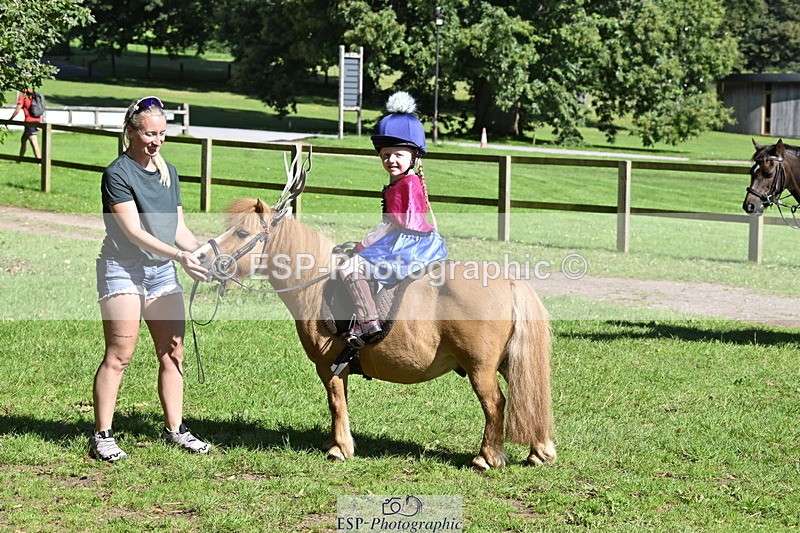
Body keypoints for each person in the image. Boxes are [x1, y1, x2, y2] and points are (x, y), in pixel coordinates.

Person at [90, 96, 211, 462]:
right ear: (131, 131)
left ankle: (176, 430)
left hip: (161, 273)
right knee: (120, 354)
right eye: (148, 134)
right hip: (122, 269)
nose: (155, 141)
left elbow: (177, 229)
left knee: (173, 353)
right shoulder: (117, 173)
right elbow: (132, 231)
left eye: (161, 134)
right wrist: (181, 257)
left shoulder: (168, 172)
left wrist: (205, 253)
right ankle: (102, 436)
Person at [337, 91, 448, 344]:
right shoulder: (407, 181)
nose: (391, 160)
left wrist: (363, 245)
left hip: (405, 243)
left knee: (348, 268)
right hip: (410, 238)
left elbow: (393, 225)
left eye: (399, 154)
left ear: (413, 157)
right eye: (386, 155)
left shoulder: (406, 185)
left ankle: (369, 322)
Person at [9, 89, 42, 160]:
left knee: (34, 143)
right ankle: (20, 160)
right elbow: (40, 108)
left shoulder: (23, 95)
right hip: (36, 121)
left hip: (29, 122)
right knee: (23, 140)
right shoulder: (33, 94)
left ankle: (40, 162)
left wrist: (11, 118)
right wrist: (40, 122)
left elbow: (19, 107)